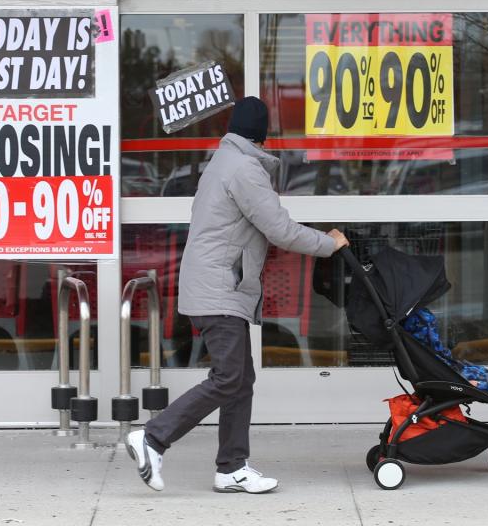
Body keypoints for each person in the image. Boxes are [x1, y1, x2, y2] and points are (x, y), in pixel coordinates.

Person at [126, 96, 349, 494]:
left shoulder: (223, 162)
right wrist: (328, 243)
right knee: (229, 377)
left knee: (240, 378)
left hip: (215, 284)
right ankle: (153, 438)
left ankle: (231, 467)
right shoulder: (245, 168)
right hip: (219, 288)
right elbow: (279, 228)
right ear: (261, 136)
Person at [401, 308, 488, 409]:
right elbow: (437, 348)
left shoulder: (411, 332)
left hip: (441, 371)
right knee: (482, 381)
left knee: (479, 371)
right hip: (444, 376)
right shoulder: (421, 323)